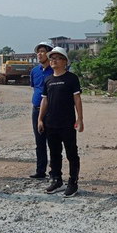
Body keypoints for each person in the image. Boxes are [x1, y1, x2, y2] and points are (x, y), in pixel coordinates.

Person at [37, 47, 83, 197]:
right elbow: (44, 100)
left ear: (65, 61)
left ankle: (73, 182)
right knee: (54, 153)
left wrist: (80, 119)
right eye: (52, 58)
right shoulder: (48, 80)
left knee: (71, 153)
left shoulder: (71, 78)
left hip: (67, 123)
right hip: (51, 123)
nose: (53, 61)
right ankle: (57, 180)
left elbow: (77, 99)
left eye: (57, 58)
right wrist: (40, 119)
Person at [29, 41, 54, 179]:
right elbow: (34, 87)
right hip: (36, 110)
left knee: (53, 141)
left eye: (43, 51)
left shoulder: (55, 71)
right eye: (38, 52)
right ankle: (40, 171)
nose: (40, 54)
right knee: (39, 142)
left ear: (49, 53)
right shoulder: (34, 71)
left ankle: (54, 171)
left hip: (51, 111)